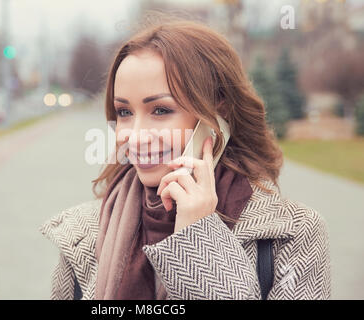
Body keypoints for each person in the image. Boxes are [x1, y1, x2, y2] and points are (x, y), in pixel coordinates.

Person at [39, 16, 331, 300]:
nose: (136, 137)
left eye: (161, 110)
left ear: (218, 114)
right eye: (125, 112)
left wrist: (198, 237)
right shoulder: (84, 232)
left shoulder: (294, 233)